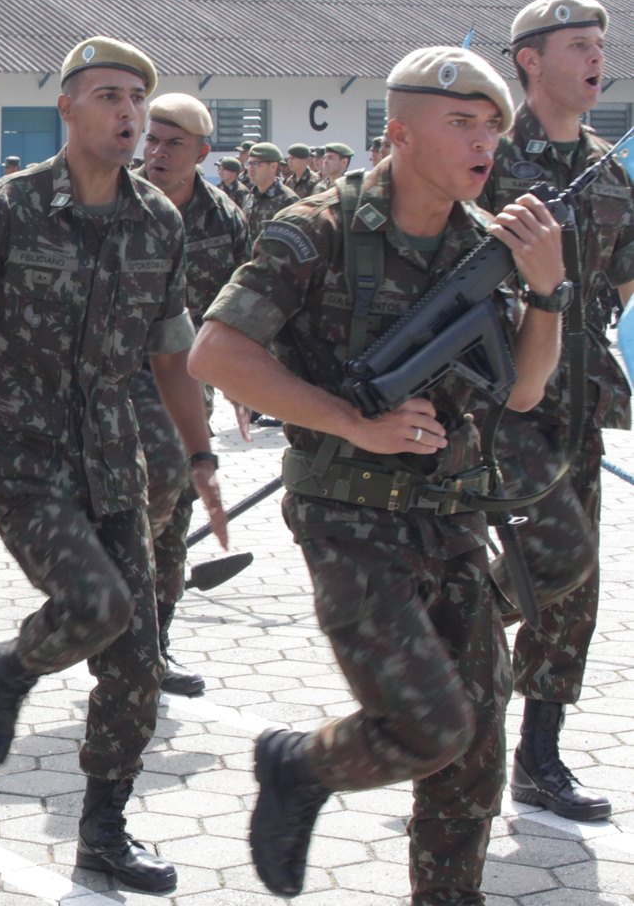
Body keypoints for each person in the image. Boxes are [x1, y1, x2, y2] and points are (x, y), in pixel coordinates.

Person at [191, 46, 567, 902]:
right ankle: (300, 765)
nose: (484, 142)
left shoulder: (485, 244)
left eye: (493, 126)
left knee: (475, 751)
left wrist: (547, 292)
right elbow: (217, 353)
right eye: (461, 123)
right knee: (428, 725)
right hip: (347, 516)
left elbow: (524, 390)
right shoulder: (318, 230)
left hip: (453, 514)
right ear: (399, 134)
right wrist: (352, 420)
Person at [0, 37, 226, 893]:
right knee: (97, 605)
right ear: (68, 108)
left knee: (137, 657)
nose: (129, 114)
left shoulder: (157, 222)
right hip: (24, 457)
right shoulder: (1, 213)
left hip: (116, 459)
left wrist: (200, 457)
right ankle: (11, 666)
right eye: (109, 96)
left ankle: (103, 833)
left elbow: (172, 356)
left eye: (138, 100)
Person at [484, 0, 633, 822]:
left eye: (599, 44)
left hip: (580, 401)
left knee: (577, 585)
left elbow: (627, 274)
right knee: (555, 559)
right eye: (577, 44)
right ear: (530, 60)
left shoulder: (608, 168)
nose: (596, 57)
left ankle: (538, 755)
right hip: (500, 402)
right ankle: (449, 628)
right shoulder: (489, 158)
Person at [134, 94, 252, 696]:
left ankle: (154, 643)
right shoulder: (117, 200)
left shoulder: (224, 218)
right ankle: (119, 633)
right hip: (115, 380)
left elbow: (241, 306)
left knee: (177, 506)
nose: (157, 152)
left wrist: (243, 381)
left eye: (173, 143)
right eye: (152, 139)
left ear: (203, 153)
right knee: (130, 506)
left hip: (186, 383)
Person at [241, 142, 300, 242]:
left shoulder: (288, 200)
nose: (250, 169)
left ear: (273, 166)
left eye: (256, 164)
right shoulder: (249, 197)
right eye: (249, 163)